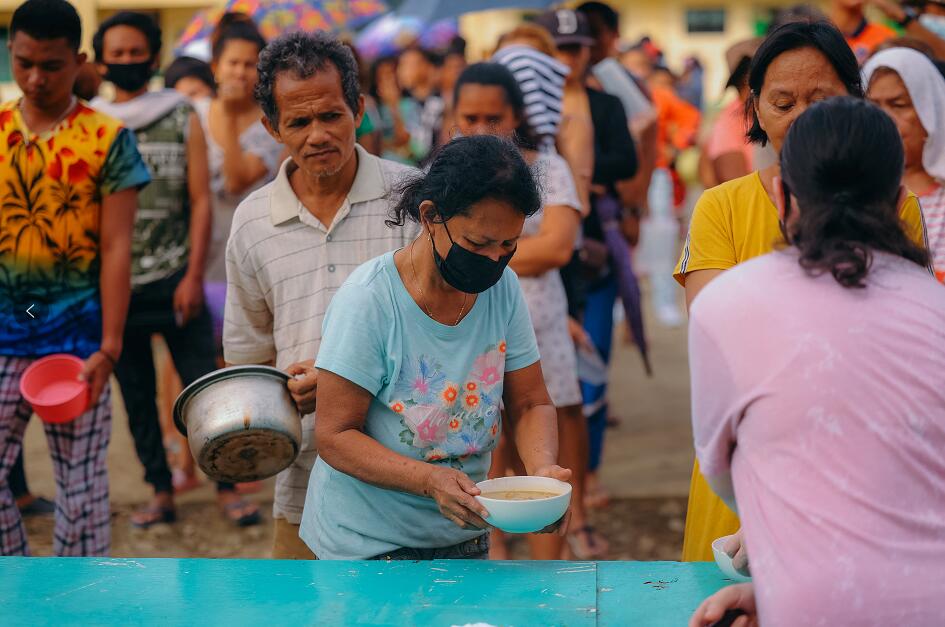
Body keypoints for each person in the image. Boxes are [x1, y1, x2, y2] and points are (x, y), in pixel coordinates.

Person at [674, 20, 929, 563]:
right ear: (756, 110)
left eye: (820, 99)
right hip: (747, 453)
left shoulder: (898, 203)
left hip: (858, 467)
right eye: (783, 102)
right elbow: (717, 338)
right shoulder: (720, 206)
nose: (800, 119)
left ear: (854, 105)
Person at [688, 97, 945, 627]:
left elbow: (727, 475)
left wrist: (785, 589)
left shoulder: (726, 305)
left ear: (782, 195)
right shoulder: (935, 306)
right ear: (900, 198)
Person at [299, 134, 571, 561]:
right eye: (478, 244)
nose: (494, 259)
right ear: (430, 216)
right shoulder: (369, 300)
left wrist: (542, 474)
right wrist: (429, 479)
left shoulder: (504, 290)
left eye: (508, 245)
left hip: (464, 535)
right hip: (364, 548)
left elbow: (532, 402)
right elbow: (335, 435)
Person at [225, 31, 418, 559]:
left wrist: (339, 379)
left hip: (414, 482)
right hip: (304, 487)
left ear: (358, 108)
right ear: (271, 128)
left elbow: (447, 330)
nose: (317, 135)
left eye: (331, 116)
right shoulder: (252, 223)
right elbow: (248, 360)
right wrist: (279, 391)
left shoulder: (413, 201)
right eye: (298, 122)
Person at [90, 12, 259, 528]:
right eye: (115, 54)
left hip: (176, 279)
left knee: (207, 390)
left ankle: (227, 488)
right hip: (116, 288)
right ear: (100, 61)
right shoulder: (91, 121)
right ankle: (159, 492)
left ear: (154, 56)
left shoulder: (181, 114)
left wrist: (190, 274)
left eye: (134, 52)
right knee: (137, 395)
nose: (126, 62)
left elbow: (200, 202)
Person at [0, 0, 150, 556]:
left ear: (80, 61)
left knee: (82, 493)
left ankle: (76, 606)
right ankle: (13, 585)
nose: (36, 78)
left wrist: (110, 343)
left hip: (77, 346)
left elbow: (116, 247)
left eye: (52, 65)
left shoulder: (107, 140)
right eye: (23, 63)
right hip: (3, 334)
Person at [451, 63, 595, 560]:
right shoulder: (446, 179)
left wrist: (473, 252)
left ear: (515, 116)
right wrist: (511, 251)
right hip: (471, 325)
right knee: (483, 444)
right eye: (470, 116)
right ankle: (491, 557)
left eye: (494, 117)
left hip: (541, 320)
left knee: (541, 448)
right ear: (453, 116)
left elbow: (557, 246)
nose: (482, 129)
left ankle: (545, 571)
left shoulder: (548, 168)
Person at [196, 13, 282, 354]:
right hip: (203, 260)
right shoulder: (195, 114)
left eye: (250, 64)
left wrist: (230, 116)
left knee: (247, 355)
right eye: (233, 62)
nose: (240, 72)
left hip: (252, 259)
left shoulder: (270, 124)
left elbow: (235, 181)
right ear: (216, 66)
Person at [866, 47, 945, 281]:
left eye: (898, 104)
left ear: (930, 110)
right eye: (874, 106)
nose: (885, 119)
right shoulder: (850, 193)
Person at [397, 47, 445, 163]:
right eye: (401, 65)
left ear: (426, 66)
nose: (401, 71)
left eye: (409, 65)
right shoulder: (402, 103)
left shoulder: (441, 101)